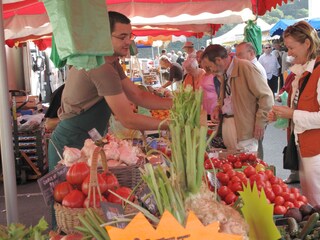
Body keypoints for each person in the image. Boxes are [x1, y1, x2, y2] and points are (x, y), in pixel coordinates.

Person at [48, 11, 172, 171]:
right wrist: (172, 125)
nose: (128, 42)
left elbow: (138, 95)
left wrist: (176, 104)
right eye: (122, 37)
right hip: (70, 146)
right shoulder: (101, 66)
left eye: (130, 36)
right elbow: (128, 119)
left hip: (88, 143)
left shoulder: (110, 62)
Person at [268, 21, 320, 206]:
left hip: (316, 151)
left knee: (315, 203)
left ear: (307, 43)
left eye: (291, 47)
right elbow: (300, 107)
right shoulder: (303, 72)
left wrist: (292, 114)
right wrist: (282, 114)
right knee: (310, 203)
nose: (288, 53)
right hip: (303, 148)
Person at [201, 44, 274, 152]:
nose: (210, 70)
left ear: (218, 60)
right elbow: (227, 98)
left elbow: (266, 95)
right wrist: (218, 108)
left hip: (244, 128)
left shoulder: (245, 66)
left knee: (246, 162)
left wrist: (261, 121)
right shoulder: (224, 73)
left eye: (210, 66)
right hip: (229, 124)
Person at [236, 42, 268, 159]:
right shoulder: (248, 67)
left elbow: (264, 96)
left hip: (256, 116)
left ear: (252, 53)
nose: (237, 58)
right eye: (236, 55)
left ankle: (260, 171)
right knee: (255, 147)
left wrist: (260, 120)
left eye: (240, 54)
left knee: (256, 149)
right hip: (254, 116)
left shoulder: (255, 68)